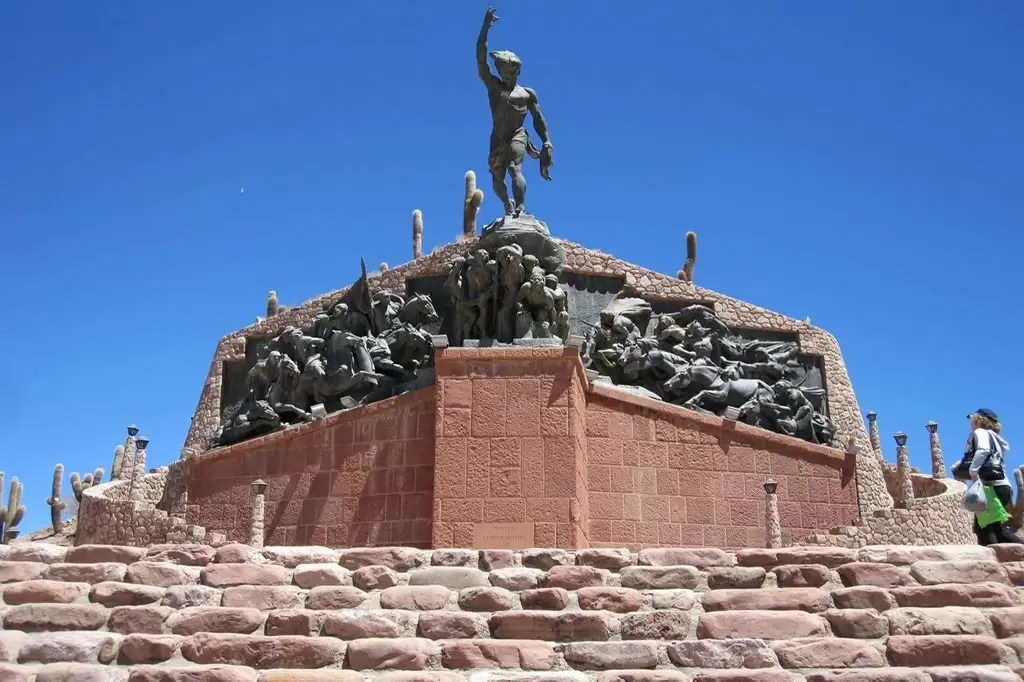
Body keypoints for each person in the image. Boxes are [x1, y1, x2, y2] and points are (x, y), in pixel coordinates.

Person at [961, 408, 1022, 546]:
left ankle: (990, 557)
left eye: (972, 419)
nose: (971, 423)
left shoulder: (980, 432)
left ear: (979, 420)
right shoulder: (996, 438)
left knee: (984, 528)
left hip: (990, 487)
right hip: (1003, 486)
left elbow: (983, 450)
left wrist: (973, 471)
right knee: (997, 529)